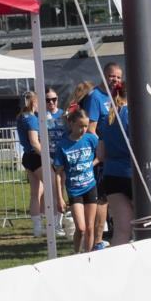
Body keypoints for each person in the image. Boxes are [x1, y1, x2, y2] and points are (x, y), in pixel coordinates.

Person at [83, 64, 127, 248]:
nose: (115, 80)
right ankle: (97, 241)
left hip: (117, 155)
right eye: (111, 76)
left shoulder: (118, 96)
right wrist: (105, 143)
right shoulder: (95, 97)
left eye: (118, 77)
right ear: (103, 75)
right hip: (102, 155)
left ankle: (112, 235)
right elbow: (90, 129)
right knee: (102, 199)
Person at [53, 108, 99, 253]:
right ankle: (77, 254)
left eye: (86, 126)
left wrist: (91, 164)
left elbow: (102, 153)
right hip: (74, 190)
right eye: (80, 126)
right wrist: (60, 198)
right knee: (81, 228)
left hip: (90, 186)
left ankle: (89, 257)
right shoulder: (63, 145)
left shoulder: (90, 139)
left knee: (91, 227)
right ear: (71, 124)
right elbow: (58, 173)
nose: (83, 129)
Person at [16, 91, 53, 238]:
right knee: (52, 189)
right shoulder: (31, 119)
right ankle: (53, 224)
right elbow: (34, 142)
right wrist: (48, 157)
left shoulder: (21, 117)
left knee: (36, 193)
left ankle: (38, 227)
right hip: (36, 156)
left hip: (28, 156)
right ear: (33, 103)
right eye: (39, 102)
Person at [44, 86, 68, 235]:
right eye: (48, 100)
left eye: (54, 99)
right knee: (53, 191)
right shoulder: (41, 115)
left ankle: (59, 222)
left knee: (61, 189)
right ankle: (53, 224)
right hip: (48, 157)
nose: (51, 102)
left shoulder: (63, 115)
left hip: (63, 156)